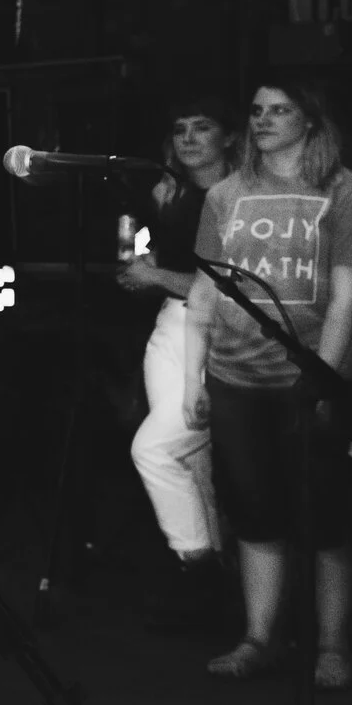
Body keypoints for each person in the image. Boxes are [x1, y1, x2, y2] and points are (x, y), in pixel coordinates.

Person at [183, 81, 352, 688]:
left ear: (311, 120)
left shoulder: (347, 190)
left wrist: (321, 375)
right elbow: (204, 291)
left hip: (313, 378)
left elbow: (347, 295)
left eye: (280, 110)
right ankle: (258, 639)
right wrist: (192, 377)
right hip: (235, 377)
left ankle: (332, 646)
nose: (264, 120)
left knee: (324, 517)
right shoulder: (225, 194)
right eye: (256, 111)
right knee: (255, 513)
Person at [121, 101, 234, 624]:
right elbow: (162, 267)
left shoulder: (237, 198)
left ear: (228, 137)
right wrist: (146, 269)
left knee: (155, 448)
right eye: (181, 128)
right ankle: (218, 596)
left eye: (202, 127)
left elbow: (225, 290)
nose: (189, 138)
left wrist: (155, 276)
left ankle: (198, 567)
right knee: (194, 465)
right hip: (169, 324)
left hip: (214, 331)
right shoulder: (172, 194)